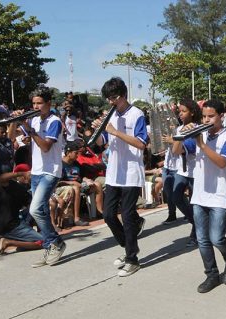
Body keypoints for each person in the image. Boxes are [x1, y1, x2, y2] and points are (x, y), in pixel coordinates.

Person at [183, 99, 226, 293]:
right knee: (202, 239)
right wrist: (184, 131)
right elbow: (177, 149)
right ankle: (211, 274)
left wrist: (201, 144)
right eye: (204, 116)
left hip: (218, 196)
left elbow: (222, 163)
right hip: (199, 194)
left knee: (216, 238)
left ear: (221, 116)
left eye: (211, 116)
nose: (206, 120)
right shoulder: (199, 133)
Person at [92, 77, 147, 277]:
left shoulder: (137, 114)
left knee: (126, 214)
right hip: (114, 171)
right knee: (107, 215)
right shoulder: (111, 115)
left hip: (131, 171)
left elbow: (141, 143)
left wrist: (115, 131)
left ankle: (132, 259)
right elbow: (101, 141)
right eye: (108, 98)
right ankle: (129, 246)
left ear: (124, 95)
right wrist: (98, 130)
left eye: (114, 97)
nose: (111, 102)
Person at [13, 86, 67, 267]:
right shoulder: (34, 120)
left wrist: (31, 130)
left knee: (35, 209)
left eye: (39, 103)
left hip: (50, 171)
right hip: (36, 170)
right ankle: (50, 245)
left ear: (48, 103)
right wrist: (17, 121)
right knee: (40, 211)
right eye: (33, 103)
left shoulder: (55, 121)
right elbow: (15, 137)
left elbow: (45, 146)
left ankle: (56, 242)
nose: (35, 107)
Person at [171, 98, 202, 247]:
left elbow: (184, 149)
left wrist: (183, 137)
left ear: (192, 112)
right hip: (182, 170)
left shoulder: (197, 128)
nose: (181, 114)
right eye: (180, 111)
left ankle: (196, 232)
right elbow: (175, 151)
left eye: (184, 111)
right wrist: (180, 135)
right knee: (176, 197)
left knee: (194, 203)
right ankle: (196, 222)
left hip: (196, 172)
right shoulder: (179, 129)